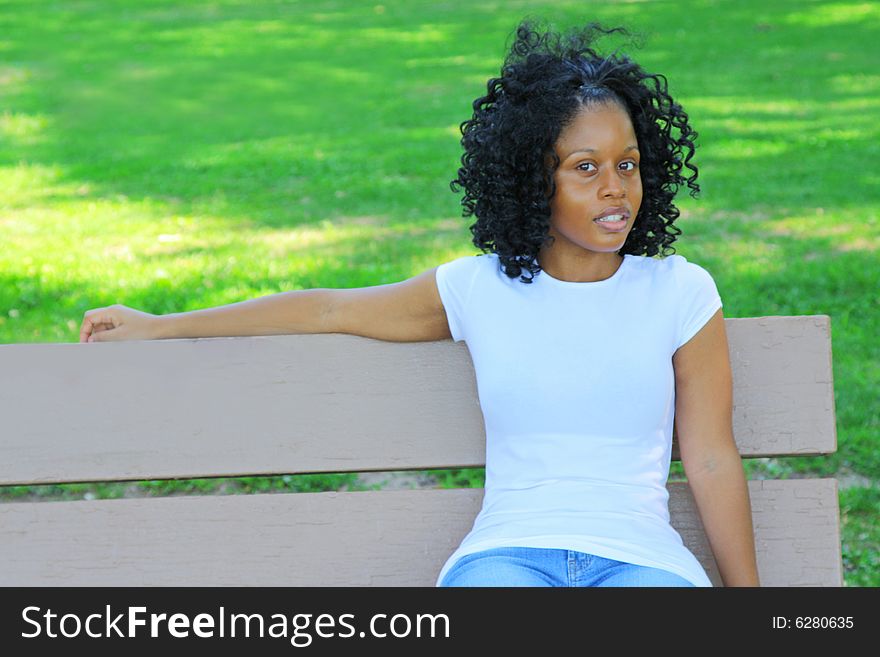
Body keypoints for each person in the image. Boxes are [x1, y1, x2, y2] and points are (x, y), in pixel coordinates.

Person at [79, 19, 760, 587]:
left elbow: (708, 456)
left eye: (628, 164)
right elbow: (327, 310)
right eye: (585, 167)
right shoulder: (479, 290)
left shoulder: (680, 292)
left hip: (641, 562)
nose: (616, 188)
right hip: (508, 558)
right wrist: (162, 326)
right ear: (532, 180)